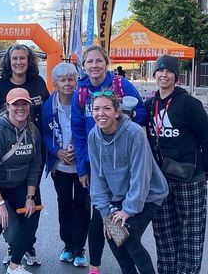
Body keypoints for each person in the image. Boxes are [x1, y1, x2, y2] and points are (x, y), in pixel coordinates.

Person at [71, 45, 146, 274]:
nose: (94, 66)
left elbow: (142, 112)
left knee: (120, 215)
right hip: (96, 163)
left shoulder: (121, 85)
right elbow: (78, 132)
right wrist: (82, 167)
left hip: (122, 161)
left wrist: (127, 116)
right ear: (84, 66)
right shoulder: (80, 93)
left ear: (106, 63)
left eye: (98, 61)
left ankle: (128, 260)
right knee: (99, 214)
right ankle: (95, 266)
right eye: (90, 62)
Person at [88, 90, 168, 274]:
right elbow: (97, 178)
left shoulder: (134, 133)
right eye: (96, 109)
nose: (101, 113)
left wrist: (128, 210)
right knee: (114, 238)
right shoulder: (94, 135)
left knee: (129, 239)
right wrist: (104, 212)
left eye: (106, 108)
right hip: (118, 196)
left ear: (117, 112)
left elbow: (141, 175)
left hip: (148, 194)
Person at [0, 43, 49, 266]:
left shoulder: (38, 83)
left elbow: (47, 112)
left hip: (32, 152)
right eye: (15, 59)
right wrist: (8, 135)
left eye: (23, 58)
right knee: (9, 208)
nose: (19, 62)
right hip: (6, 156)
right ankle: (13, 247)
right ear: (8, 62)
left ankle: (27, 246)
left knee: (31, 205)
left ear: (29, 61)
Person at [145, 55, 208, 274]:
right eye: (160, 71)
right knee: (164, 234)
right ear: (154, 75)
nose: (164, 75)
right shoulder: (150, 104)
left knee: (190, 234)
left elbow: (206, 137)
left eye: (169, 71)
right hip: (161, 180)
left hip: (190, 178)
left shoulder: (189, 103)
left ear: (176, 76)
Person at [0, 88, 42, 274]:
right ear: (8, 106)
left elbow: (35, 166)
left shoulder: (33, 131)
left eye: (24, 104)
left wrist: (30, 197)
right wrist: (0, 204)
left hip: (18, 184)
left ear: (29, 106)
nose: (20, 108)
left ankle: (14, 266)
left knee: (31, 219)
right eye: (16, 104)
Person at [41, 62, 89, 267]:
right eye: (63, 80)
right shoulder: (48, 106)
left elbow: (91, 129)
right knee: (64, 204)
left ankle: (80, 248)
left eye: (71, 79)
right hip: (60, 165)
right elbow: (43, 133)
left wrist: (80, 153)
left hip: (81, 165)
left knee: (82, 204)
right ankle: (68, 245)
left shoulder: (84, 102)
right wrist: (56, 151)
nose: (68, 83)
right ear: (55, 83)